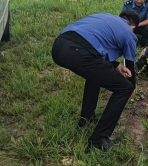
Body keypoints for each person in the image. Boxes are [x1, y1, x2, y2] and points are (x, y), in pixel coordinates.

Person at [51, 10, 140, 151]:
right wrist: (132, 87)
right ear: (134, 27)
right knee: (124, 88)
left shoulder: (105, 17)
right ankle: (98, 140)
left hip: (59, 46)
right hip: (78, 51)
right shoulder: (129, 34)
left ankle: (87, 118)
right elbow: (130, 64)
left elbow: (94, 47)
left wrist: (116, 65)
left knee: (95, 74)